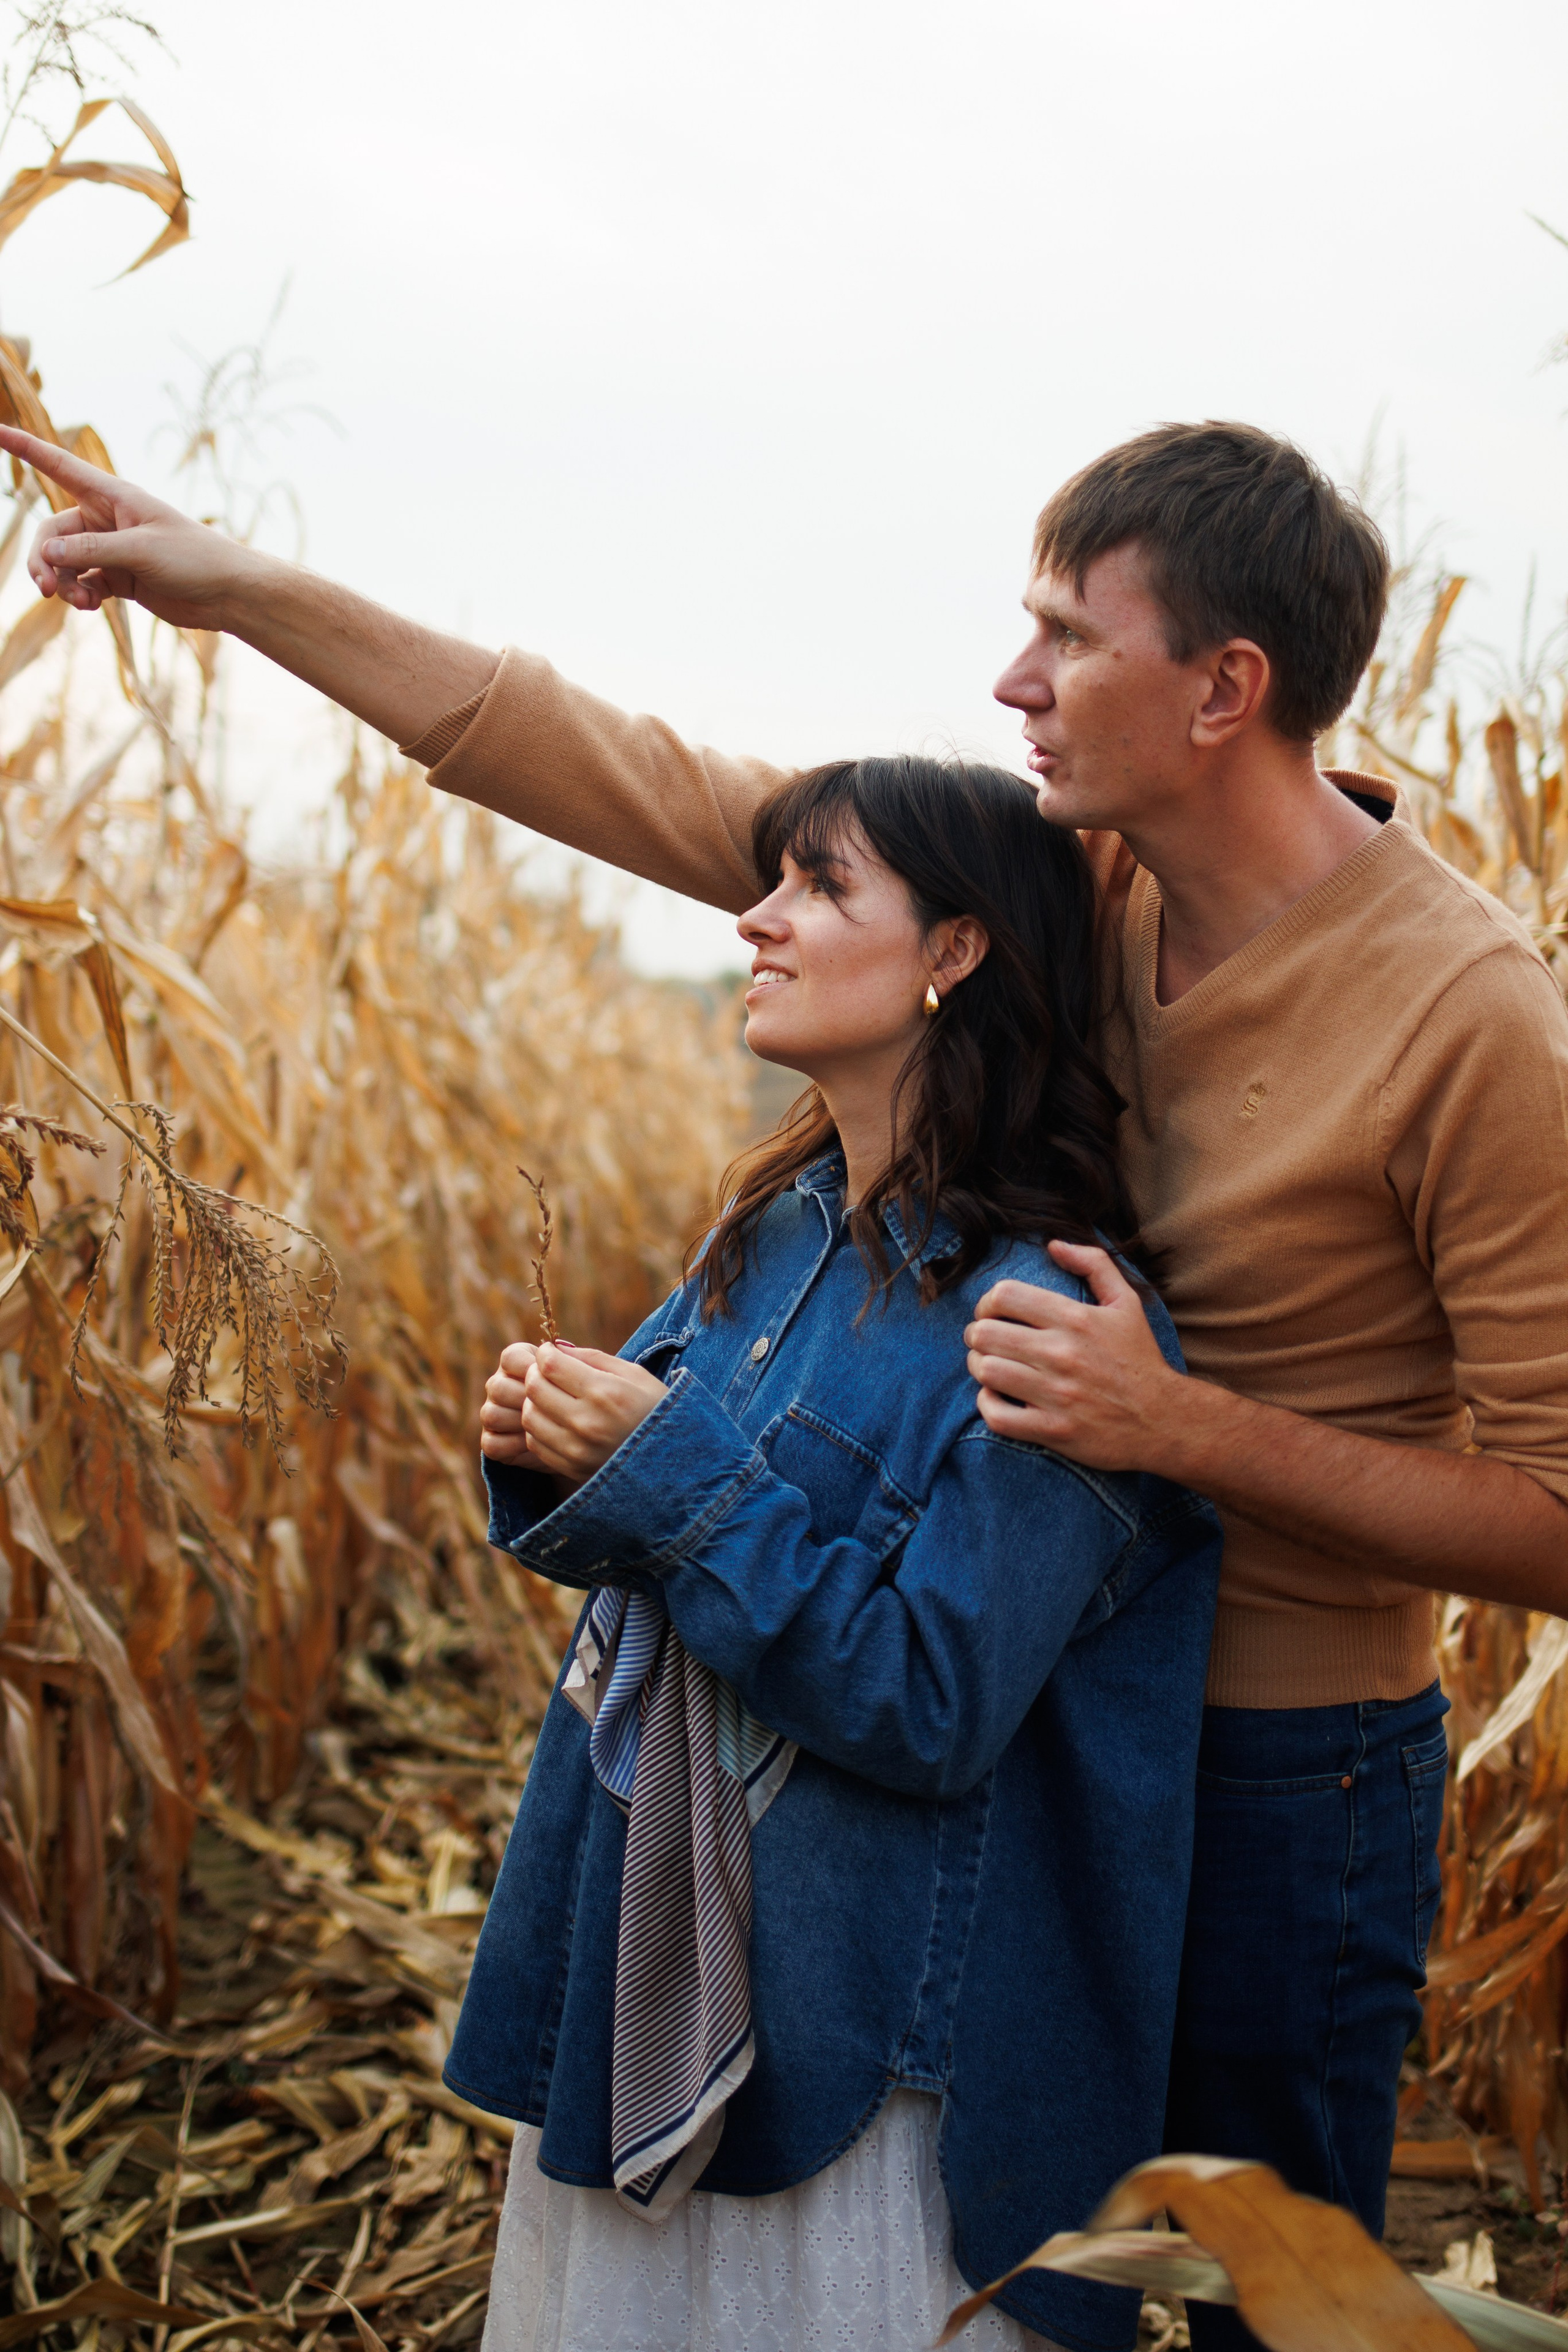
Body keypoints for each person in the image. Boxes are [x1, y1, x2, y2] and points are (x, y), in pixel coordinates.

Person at [6, 419, 1568, 2340]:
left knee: (1273, 2302)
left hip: (1269, 1768)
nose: (1014, 681)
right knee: (1005, 2266)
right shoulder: (1080, 893)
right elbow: (627, 776)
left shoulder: (1473, 1018)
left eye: (1070, 637)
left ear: (1226, 688)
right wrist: (237, 583)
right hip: (1006, 1732)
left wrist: (1184, 1430)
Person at [459, 753, 1223, 2351]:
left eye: (820, 885)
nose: (758, 921)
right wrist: (552, 1446)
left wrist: (660, 1469)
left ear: (955, 951)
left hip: (859, 2060)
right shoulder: (778, 1231)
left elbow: (932, 1704)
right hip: (660, 1972)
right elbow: (652, 1554)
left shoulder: (1051, 1319)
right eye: (771, 882)